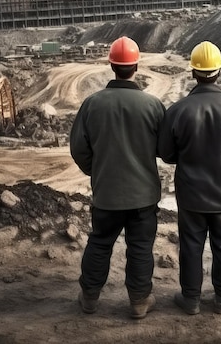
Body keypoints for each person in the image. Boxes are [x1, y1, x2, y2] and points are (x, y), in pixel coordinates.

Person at [70, 36, 166, 319]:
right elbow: (165, 149)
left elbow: (78, 149)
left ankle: (89, 298)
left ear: (111, 65)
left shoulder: (92, 104)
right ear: (136, 66)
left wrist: (97, 171)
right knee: (140, 247)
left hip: (107, 194)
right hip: (143, 196)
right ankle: (139, 301)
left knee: (100, 243)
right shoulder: (153, 105)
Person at [158, 41, 221, 315]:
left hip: (191, 195)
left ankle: (191, 300)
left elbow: (166, 153)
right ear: (219, 72)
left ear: (193, 73)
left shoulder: (177, 110)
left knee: (191, 246)